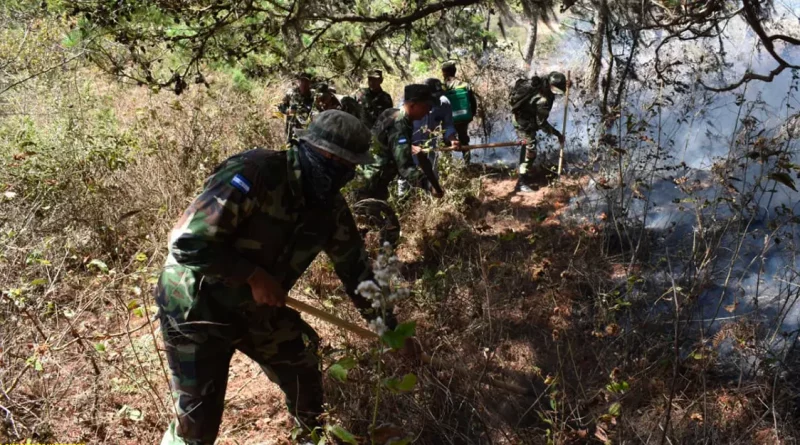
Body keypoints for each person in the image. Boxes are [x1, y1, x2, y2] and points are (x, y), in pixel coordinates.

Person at [155, 110, 409, 445]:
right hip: (195, 307)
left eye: (349, 166)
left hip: (256, 311)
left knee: (302, 363)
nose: (343, 174)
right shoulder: (253, 173)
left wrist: (391, 331)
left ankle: (311, 437)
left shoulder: (329, 208)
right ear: (312, 150)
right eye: (336, 162)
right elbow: (187, 243)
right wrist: (253, 275)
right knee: (197, 422)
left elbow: (356, 271)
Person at [397, 78, 459, 196]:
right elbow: (397, 134)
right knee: (405, 183)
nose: (436, 100)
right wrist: (408, 146)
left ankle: (430, 201)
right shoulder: (407, 106)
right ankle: (404, 204)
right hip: (409, 149)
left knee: (431, 179)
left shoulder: (444, 103)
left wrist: (452, 139)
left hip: (430, 148)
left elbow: (448, 124)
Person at [509, 71, 568, 192]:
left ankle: (523, 172)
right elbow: (542, 124)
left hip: (523, 119)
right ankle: (521, 182)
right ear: (551, 86)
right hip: (523, 123)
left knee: (526, 146)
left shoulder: (540, 83)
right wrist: (558, 134)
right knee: (530, 150)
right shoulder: (543, 100)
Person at [441, 60, 478, 164]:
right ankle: (467, 163)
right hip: (462, 118)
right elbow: (473, 103)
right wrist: (471, 116)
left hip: (447, 120)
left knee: (446, 141)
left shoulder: (441, 87)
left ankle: (448, 164)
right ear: (455, 71)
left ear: (444, 72)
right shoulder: (465, 85)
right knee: (464, 140)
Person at [278, 72, 315, 142]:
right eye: (302, 81)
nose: (304, 84)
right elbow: (281, 106)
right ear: (299, 82)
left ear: (310, 84)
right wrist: (288, 111)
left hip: (308, 132)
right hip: (292, 130)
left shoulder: (313, 96)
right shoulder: (291, 93)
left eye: (306, 82)